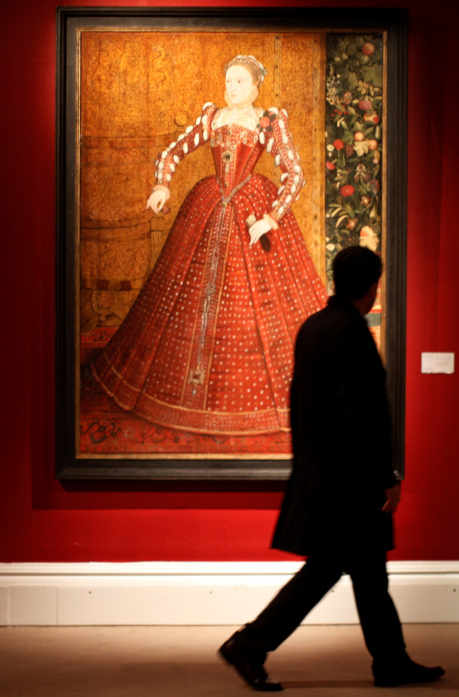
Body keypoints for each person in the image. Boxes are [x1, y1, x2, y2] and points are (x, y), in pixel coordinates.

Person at [219, 246, 444, 690]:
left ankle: (390, 661)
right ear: (372, 286)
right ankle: (250, 644)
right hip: (352, 483)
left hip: (325, 476)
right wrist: (386, 477)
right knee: (331, 572)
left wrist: (306, 465)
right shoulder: (353, 333)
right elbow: (362, 415)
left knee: (366, 573)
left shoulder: (314, 327)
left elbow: (298, 403)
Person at [89, 55, 327, 436]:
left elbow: (294, 173)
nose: (231, 87)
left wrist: (271, 216)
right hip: (208, 204)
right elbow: (172, 152)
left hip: (252, 209)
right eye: (228, 80)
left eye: (239, 82)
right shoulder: (211, 118)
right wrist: (162, 184)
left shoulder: (268, 121)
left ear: (254, 88)